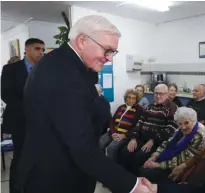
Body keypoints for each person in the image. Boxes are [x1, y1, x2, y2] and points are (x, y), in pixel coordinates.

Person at [16, 15, 152, 193]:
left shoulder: (71, 66)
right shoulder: (64, 74)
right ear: (82, 41)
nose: (109, 58)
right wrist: (132, 186)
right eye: (107, 50)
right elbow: (83, 147)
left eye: (113, 52)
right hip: (54, 178)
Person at [1, 38, 45, 193]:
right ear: (27, 50)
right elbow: (6, 95)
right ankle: (16, 189)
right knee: (20, 158)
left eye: (42, 49)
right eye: (37, 48)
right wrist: (31, 106)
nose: (41, 52)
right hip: (20, 121)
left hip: (42, 123)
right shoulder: (11, 69)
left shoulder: (45, 69)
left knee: (40, 158)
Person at [119, 84, 178, 175]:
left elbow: (171, 129)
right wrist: (133, 138)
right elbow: (139, 122)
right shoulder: (149, 106)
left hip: (156, 142)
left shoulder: (172, 107)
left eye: (161, 94)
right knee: (125, 151)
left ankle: (135, 180)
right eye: (156, 93)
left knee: (139, 156)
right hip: (141, 138)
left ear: (166, 94)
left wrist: (153, 140)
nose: (158, 96)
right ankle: (124, 176)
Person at [140, 107, 205, 183]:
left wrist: (157, 165)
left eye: (186, 123)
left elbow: (183, 159)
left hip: (182, 165)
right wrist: (155, 156)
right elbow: (167, 142)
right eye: (180, 124)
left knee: (148, 173)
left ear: (193, 121)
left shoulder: (199, 135)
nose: (183, 127)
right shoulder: (179, 128)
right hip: (171, 158)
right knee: (143, 166)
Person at [99, 88, 143, 162]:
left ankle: (114, 169)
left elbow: (137, 126)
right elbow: (112, 121)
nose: (130, 100)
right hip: (114, 132)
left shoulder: (139, 110)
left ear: (136, 100)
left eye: (133, 98)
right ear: (126, 98)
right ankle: (102, 163)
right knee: (100, 143)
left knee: (111, 148)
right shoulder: (121, 107)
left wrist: (125, 135)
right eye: (129, 97)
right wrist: (113, 133)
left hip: (125, 135)